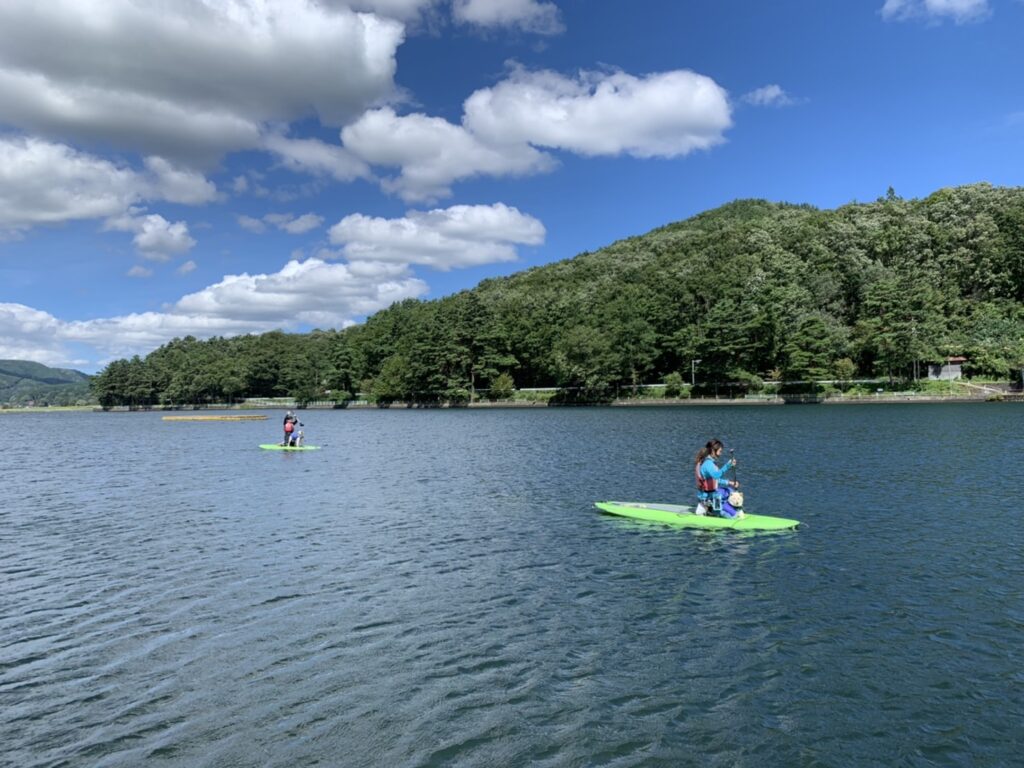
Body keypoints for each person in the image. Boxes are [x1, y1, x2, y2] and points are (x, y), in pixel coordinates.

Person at [693, 439, 741, 517]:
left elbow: (715, 480)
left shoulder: (710, 463)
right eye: (720, 451)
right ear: (712, 450)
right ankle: (708, 509)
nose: (720, 454)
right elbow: (716, 475)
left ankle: (721, 510)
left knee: (729, 491)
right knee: (730, 515)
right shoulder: (708, 464)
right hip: (707, 497)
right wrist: (728, 465)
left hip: (712, 495)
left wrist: (730, 483)